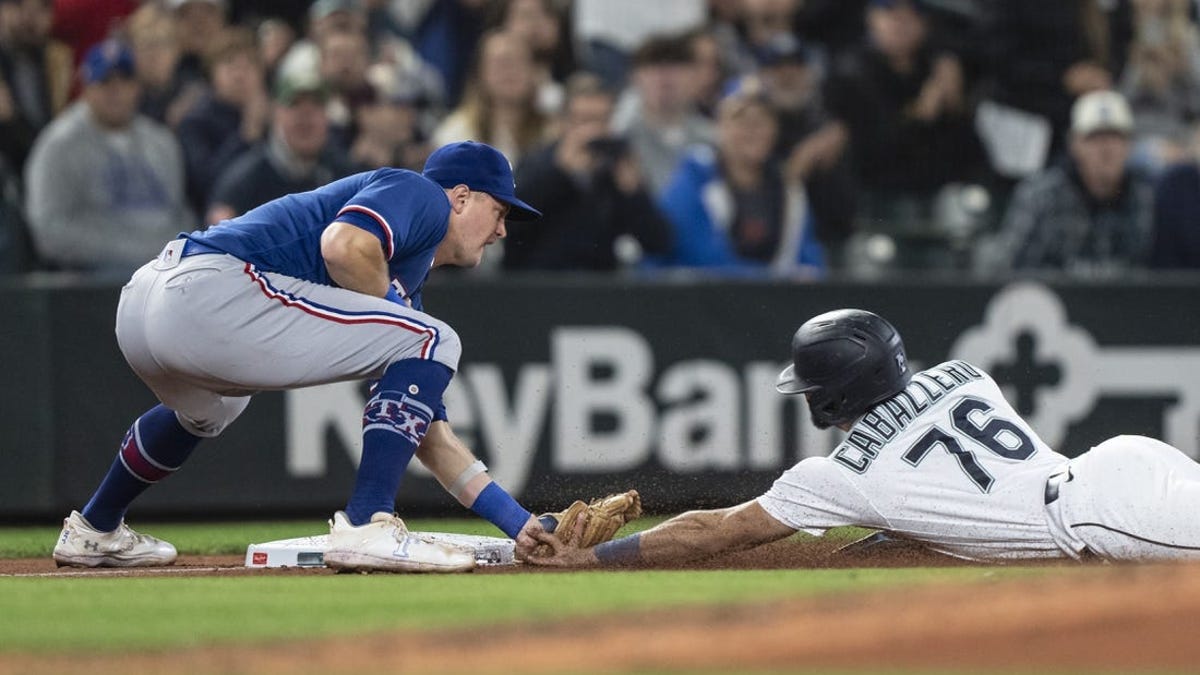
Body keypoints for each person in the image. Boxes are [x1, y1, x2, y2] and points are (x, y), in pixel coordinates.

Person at [51, 140, 550, 572]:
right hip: (208, 290)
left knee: (213, 408)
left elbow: (430, 437)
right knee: (435, 337)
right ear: (461, 197)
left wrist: (519, 523)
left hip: (148, 303)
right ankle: (365, 523)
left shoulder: (403, 284)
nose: (502, 229)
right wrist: (401, 313)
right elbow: (343, 245)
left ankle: (95, 528)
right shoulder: (422, 196)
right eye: (500, 211)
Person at [527, 308, 1200, 568]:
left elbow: (717, 528)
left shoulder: (843, 474)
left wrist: (598, 558)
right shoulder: (966, 376)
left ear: (828, 398)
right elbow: (933, 521)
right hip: (1122, 462)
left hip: (1100, 515)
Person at [23, 40, 193, 273]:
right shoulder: (58, 145)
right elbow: (49, 231)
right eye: (105, 82)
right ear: (86, 88)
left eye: (125, 81)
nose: (116, 91)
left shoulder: (161, 141)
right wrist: (139, 251)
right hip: (91, 278)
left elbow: (181, 214)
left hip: (164, 270)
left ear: (137, 87)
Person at [505, 72, 673, 271]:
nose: (592, 131)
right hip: (540, 284)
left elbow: (659, 241)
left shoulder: (616, 167)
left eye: (601, 120)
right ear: (564, 122)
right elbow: (510, 228)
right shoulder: (537, 161)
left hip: (600, 288)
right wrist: (559, 173)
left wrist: (633, 193)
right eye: (584, 120)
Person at [977, 89, 1154, 276]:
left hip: (1123, 303)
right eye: (1094, 138)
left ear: (1130, 145)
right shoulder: (1041, 195)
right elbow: (1002, 265)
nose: (1106, 149)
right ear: (1074, 144)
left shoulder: (1144, 196)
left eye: (1115, 137)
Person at [655, 88, 825, 276]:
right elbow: (705, 262)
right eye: (740, 120)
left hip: (771, 300)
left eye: (762, 120)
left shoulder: (789, 189)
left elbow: (808, 258)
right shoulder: (693, 178)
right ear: (719, 126)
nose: (752, 130)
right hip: (691, 301)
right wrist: (780, 281)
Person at [205, 71, 350, 225]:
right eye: (294, 104)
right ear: (275, 114)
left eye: (316, 105)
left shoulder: (342, 173)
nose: (305, 115)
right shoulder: (244, 181)